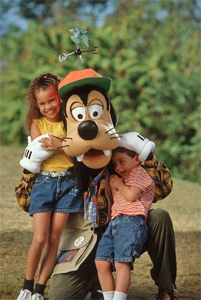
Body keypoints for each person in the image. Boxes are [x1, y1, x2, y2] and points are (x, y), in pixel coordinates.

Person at [48, 69, 176, 300]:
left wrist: (146, 155)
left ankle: (165, 289)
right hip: (84, 239)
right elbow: (30, 203)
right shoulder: (62, 163)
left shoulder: (120, 159)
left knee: (159, 217)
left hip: (126, 226)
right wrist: (32, 166)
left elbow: (163, 188)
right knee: (60, 296)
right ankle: (96, 279)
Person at [17, 73, 83, 300]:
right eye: (42, 103)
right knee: (40, 238)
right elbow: (40, 148)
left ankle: (39, 289)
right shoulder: (37, 124)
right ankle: (26, 285)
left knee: (55, 239)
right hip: (44, 183)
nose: (48, 107)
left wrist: (61, 142)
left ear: (60, 98)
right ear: (36, 105)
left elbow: (80, 148)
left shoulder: (71, 121)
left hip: (70, 183)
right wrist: (65, 143)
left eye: (52, 100)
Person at [95, 134, 155, 300]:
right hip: (115, 222)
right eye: (115, 164)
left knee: (122, 262)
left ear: (136, 159)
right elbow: (117, 200)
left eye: (122, 161)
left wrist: (119, 184)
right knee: (101, 261)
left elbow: (130, 196)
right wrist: (115, 185)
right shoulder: (124, 178)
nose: (119, 167)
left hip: (132, 221)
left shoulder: (140, 173)